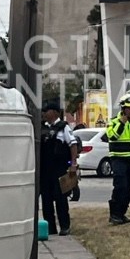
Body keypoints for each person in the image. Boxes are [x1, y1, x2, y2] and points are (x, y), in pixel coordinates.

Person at [103, 95, 130, 225]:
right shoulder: (114, 122)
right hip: (118, 158)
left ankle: (121, 213)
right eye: (128, 108)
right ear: (123, 108)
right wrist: (122, 123)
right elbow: (113, 136)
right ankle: (114, 215)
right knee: (120, 186)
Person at [40, 101, 78, 236]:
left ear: (55, 113)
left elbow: (73, 145)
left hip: (59, 169)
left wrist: (73, 164)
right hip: (45, 171)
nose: (44, 114)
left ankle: (64, 226)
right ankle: (50, 228)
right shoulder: (42, 129)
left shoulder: (63, 128)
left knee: (61, 200)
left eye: (47, 111)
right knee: (46, 201)